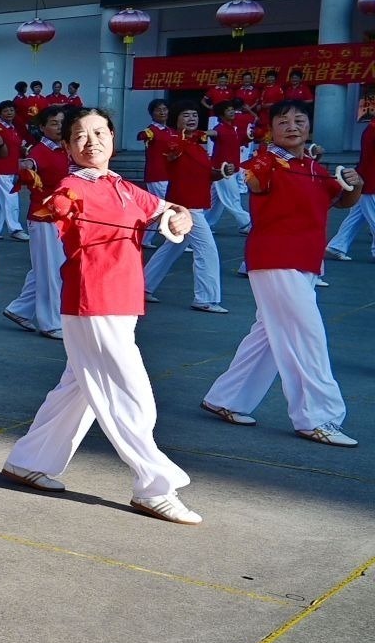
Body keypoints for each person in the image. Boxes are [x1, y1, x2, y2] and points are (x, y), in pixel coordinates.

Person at [0, 108, 203, 524]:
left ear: (112, 135)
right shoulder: (72, 187)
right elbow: (54, 206)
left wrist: (180, 215)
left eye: (98, 132)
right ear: (68, 146)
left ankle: (28, 460)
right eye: (79, 135)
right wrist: (55, 206)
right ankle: (154, 484)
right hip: (93, 301)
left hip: (122, 301)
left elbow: (169, 209)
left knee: (78, 391)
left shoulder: (125, 187)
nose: (90, 141)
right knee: (130, 394)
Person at [202, 103, 363, 447]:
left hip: (306, 261)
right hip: (276, 258)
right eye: (283, 122)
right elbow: (255, 181)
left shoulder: (314, 167)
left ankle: (226, 399)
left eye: (299, 120)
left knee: (269, 336)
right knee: (308, 336)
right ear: (270, 129)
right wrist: (260, 163)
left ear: (309, 127)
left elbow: (342, 201)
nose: (292, 126)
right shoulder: (266, 160)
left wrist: (355, 185)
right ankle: (318, 418)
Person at [142, 109, 226, 313]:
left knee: (172, 248)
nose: (191, 119)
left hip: (195, 203)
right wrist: (179, 142)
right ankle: (205, 298)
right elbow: (170, 155)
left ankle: (143, 286)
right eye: (186, 115)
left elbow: (206, 176)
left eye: (195, 116)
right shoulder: (173, 141)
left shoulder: (198, 145)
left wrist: (221, 172)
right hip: (185, 207)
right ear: (176, 120)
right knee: (207, 250)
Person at [3, 107, 72, 338]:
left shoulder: (65, 148)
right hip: (43, 218)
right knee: (52, 271)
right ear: (42, 127)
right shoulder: (41, 150)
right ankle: (50, 322)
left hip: (60, 217)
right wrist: (26, 168)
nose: (59, 127)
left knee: (46, 268)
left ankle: (19, 309)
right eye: (53, 123)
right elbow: (28, 163)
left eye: (62, 122)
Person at [323, 108, 375, 262]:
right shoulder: (372, 130)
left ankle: (336, 246)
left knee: (356, 217)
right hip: (370, 182)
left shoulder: (370, 128)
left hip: (366, 179)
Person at [204, 100, 253, 234]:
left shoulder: (234, 129)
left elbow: (240, 141)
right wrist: (199, 134)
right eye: (228, 110)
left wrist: (249, 137)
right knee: (232, 198)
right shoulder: (219, 129)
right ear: (221, 115)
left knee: (216, 202)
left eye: (232, 109)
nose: (232, 112)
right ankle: (246, 224)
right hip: (223, 170)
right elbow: (212, 133)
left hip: (232, 168)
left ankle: (205, 224)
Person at [136, 99, 177, 248]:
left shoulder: (171, 131)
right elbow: (142, 135)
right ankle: (175, 239)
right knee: (167, 207)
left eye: (165, 109)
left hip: (170, 174)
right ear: (152, 113)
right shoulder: (152, 130)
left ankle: (144, 239)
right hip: (157, 175)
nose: (162, 112)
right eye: (158, 110)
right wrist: (145, 135)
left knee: (157, 208)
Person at [0, 107, 27, 240]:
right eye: (6, 111)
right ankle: (15, 229)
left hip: (10, 167)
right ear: (0, 114)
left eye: (11, 110)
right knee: (11, 197)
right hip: (0, 168)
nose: (9, 113)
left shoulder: (12, 128)